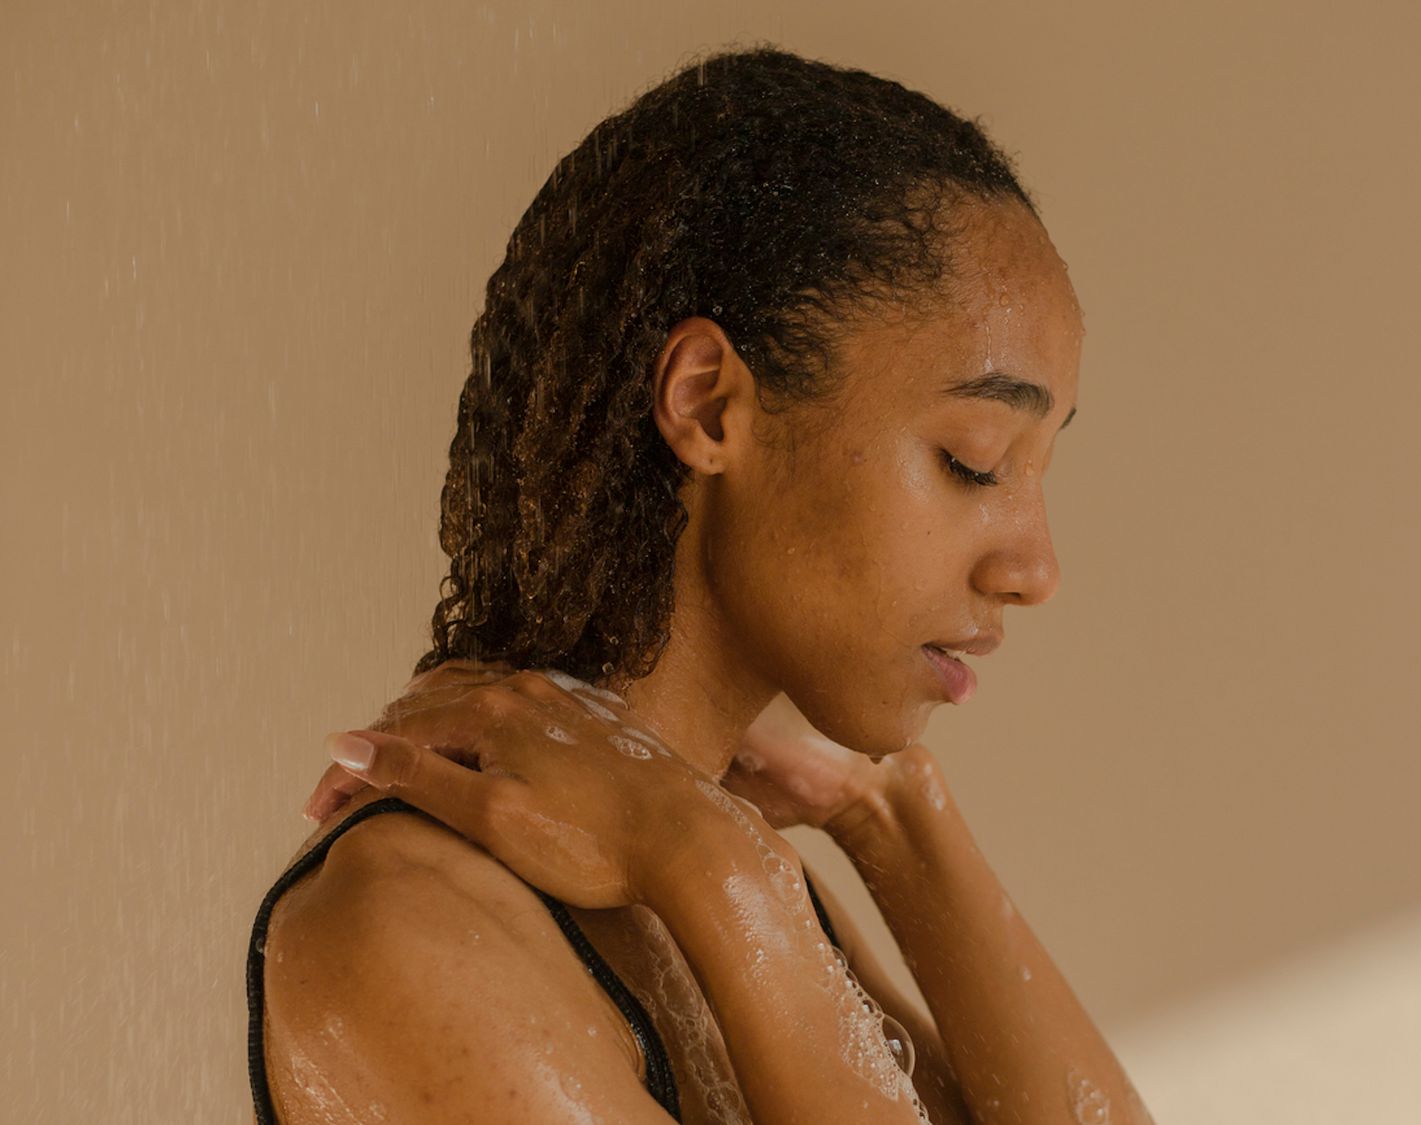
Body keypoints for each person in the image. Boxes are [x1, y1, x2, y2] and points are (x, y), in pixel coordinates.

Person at [246, 45, 1154, 1124]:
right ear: (710, 404)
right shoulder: (408, 929)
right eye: (972, 460)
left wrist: (893, 816)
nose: (1035, 570)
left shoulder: (718, 870)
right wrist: (726, 877)